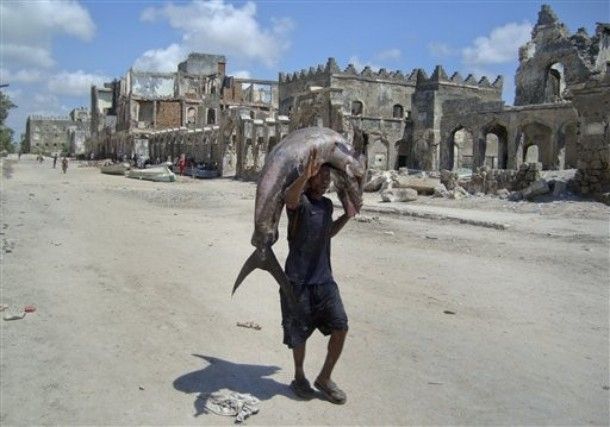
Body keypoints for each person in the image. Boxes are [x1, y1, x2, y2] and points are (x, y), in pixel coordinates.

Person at [280, 148, 359, 405]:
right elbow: (288, 198)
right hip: (297, 281)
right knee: (298, 333)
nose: (325, 182)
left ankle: (324, 378)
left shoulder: (325, 205)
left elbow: (328, 233)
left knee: (341, 326)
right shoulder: (299, 201)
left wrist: (347, 217)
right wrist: (304, 176)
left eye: (328, 178)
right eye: (320, 177)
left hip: (324, 281)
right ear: (311, 177)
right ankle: (299, 376)